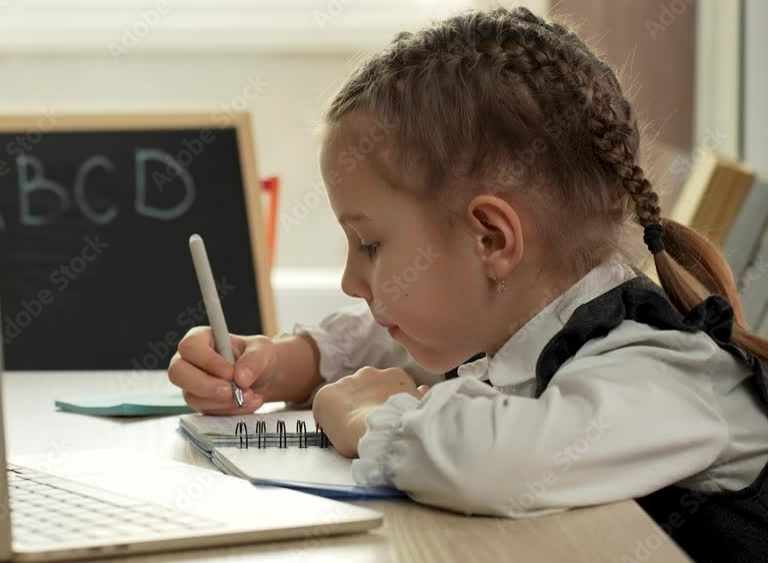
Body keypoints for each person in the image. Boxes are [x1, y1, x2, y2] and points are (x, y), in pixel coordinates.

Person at [168, 7, 767, 562]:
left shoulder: (660, 372)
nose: (352, 280)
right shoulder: (530, 321)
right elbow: (414, 345)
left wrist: (367, 418)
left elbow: (492, 463)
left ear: (491, 239)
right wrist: (290, 361)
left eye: (371, 246)